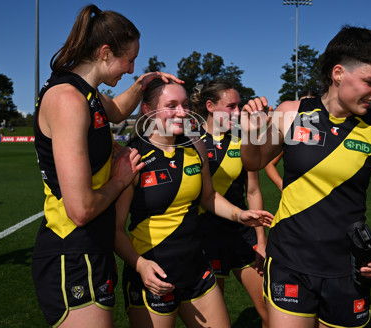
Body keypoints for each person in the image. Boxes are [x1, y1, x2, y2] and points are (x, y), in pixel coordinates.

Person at [240, 25, 371, 328]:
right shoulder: (291, 113)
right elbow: (254, 162)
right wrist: (249, 134)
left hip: (349, 267)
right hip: (289, 259)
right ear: (338, 73)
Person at [32, 4, 180, 328]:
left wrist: (145, 82)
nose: (130, 68)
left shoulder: (90, 95)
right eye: (129, 59)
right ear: (104, 52)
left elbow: (117, 111)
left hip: (93, 248)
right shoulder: (68, 99)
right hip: (71, 250)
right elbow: (81, 209)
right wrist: (120, 178)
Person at [114, 79, 274, 328]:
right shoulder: (133, 156)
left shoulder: (195, 145)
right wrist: (141, 265)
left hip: (197, 268)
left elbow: (208, 197)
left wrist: (239, 215)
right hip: (154, 274)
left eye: (185, 104)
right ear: (147, 110)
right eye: (171, 105)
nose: (181, 112)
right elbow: (115, 230)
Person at [191, 79, 269, 327]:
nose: (237, 112)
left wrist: (261, 241)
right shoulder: (191, 140)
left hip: (241, 233)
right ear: (211, 106)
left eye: (239, 106)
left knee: (270, 312)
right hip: (204, 234)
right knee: (215, 319)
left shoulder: (243, 138)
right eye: (231, 106)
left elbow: (253, 190)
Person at [264, 89, 318, 191]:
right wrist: (282, 186)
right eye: (301, 103)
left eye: (311, 103)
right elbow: (269, 163)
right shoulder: (293, 133)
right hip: (296, 199)